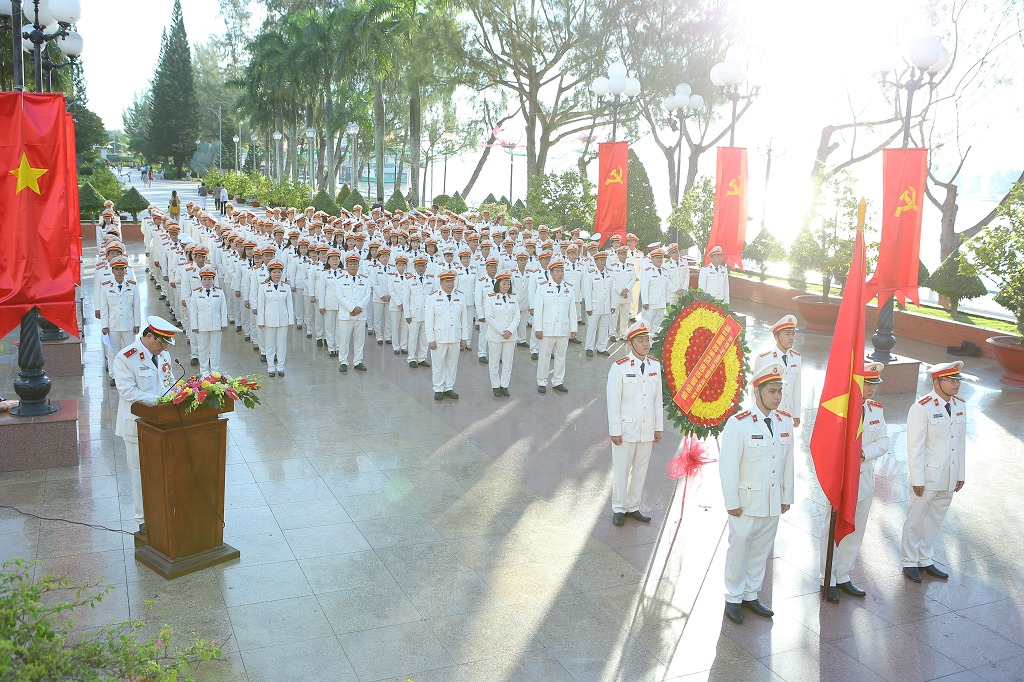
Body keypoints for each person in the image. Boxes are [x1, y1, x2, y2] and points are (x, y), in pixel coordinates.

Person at [719, 361, 794, 625]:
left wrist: (786, 496)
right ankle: (733, 597)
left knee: (762, 549)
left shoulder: (784, 422)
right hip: (746, 502)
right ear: (757, 391)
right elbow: (728, 466)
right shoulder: (738, 423)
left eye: (780, 391)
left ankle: (751, 594)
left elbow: (788, 462)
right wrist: (732, 501)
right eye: (772, 391)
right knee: (739, 549)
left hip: (772, 501)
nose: (777, 396)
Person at [820, 362, 888, 602]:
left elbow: (884, 441)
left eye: (875, 385)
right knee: (833, 529)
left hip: (864, 479)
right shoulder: (840, 409)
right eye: (868, 384)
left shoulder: (875, 409)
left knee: (856, 529)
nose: (872, 389)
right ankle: (827, 577)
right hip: (841, 479)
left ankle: (843, 575)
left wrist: (861, 452)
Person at [112, 316, 181, 537]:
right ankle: (143, 519)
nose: (165, 348)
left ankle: (164, 511)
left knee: (164, 470)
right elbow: (128, 392)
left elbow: (169, 383)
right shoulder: (126, 358)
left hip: (163, 423)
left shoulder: (163, 355)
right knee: (140, 473)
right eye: (162, 343)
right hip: (137, 426)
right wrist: (161, 401)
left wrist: (179, 395)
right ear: (149, 336)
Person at [901, 361, 966, 583]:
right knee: (916, 519)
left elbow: (960, 443)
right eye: (951, 380)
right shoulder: (922, 407)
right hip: (927, 477)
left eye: (958, 380)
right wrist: (917, 478)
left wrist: (960, 474)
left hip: (949, 476)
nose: (956, 384)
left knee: (936, 519)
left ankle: (924, 558)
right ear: (936, 383)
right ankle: (909, 561)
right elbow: (915, 447)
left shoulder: (960, 405)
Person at [606, 319, 663, 526]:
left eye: (647, 340)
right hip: (626, 428)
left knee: (640, 469)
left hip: (647, 427)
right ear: (631, 344)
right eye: (641, 341)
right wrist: (615, 430)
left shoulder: (654, 365)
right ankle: (619, 508)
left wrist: (658, 427)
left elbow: (657, 400)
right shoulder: (619, 367)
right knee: (622, 470)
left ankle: (633, 506)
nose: (646, 344)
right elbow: (613, 401)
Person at [424, 270, 470, 400]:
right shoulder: (432, 297)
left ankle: (449, 387)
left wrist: (464, 337)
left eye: (452, 281)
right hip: (439, 337)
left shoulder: (460, 296)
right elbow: (429, 321)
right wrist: (430, 339)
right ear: (441, 282)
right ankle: (438, 388)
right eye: (447, 281)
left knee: (452, 364)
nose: (450, 284)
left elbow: (464, 319)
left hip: (455, 336)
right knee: (438, 364)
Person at [533, 258, 577, 393]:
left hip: (563, 328)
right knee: (544, 357)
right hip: (547, 329)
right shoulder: (543, 287)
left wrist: (574, 328)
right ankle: (542, 381)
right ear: (550, 273)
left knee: (561, 356)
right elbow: (538, 310)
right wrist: (538, 328)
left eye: (562, 271)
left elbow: (572, 311)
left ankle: (558, 381)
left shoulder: (569, 288)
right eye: (557, 271)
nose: (560, 274)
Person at [99, 256, 142, 387]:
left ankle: (131, 373)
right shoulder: (106, 286)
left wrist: (137, 324)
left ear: (125, 271)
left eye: (121, 269)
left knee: (131, 350)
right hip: (113, 325)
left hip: (128, 324)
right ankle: (114, 375)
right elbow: (104, 308)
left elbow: (136, 306)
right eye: (117, 269)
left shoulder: (132, 286)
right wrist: (104, 325)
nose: (119, 272)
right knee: (113, 351)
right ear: (112, 271)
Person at [753, 315, 803, 427]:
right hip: (769, 415)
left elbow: (797, 388)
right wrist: (756, 416)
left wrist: (796, 414)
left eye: (793, 334)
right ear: (776, 337)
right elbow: (756, 389)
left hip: (788, 414)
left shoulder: (796, 357)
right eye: (787, 334)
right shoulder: (764, 359)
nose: (791, 338)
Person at [483, 270, 520, 397]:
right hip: (496, 335)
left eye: (508, 284)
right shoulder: (490, 297)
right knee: (494, 362)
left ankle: (504, 385)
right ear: (498, 284)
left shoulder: (513, 297)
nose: (506, 286)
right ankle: (495, 385)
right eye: (504, 284)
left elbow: (517, 316)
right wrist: (502, 331)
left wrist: (510, 330)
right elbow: (489, 317)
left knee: (507, 361)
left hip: (510, 335)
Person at [257, 260, 294, 377]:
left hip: (283, 319)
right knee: (270, 345)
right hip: (269, 320)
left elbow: (290, 305)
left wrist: (291, 320)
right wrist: (260, 321)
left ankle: (281, 367)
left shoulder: (286, 286)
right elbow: (261, 305)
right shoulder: (263, 286)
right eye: (274, 272)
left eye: (279, 272)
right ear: (270, 273)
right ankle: (271, 367)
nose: (277, 274)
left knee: (281, 345)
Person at [336, 253, 371, 373]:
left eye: (355, 264)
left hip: (360, 314)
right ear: (346, 266)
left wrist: (358, 308)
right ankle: (343, 361)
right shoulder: (340, 280)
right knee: (344, 340)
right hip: (346, 315)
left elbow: (367, 296)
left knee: (360, 340)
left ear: (358, 266)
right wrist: (352, 308)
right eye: (350, 264)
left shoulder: (365, 279)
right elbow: (340, 297)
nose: (352, 266)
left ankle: (358, 361)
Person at [190, 266, 228, 374]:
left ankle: (215, 371)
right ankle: (204, 372)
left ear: (213, 280)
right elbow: (193, 311)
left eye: (209, 279)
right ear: (201, 280)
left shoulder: (219, 292)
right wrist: (194, 326)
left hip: (216, 324)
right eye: (205, 279)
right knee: (203, 349)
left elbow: (223, 308)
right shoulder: (196, 293)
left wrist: (224, 323)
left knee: (215, 348)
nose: (207, 282)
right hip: (201, 325)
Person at [583, 251, 614, 357]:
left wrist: (613, 305)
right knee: (592, 328)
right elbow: (587, 292)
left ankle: (601, 347)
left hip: (606, 306)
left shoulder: (610, 273)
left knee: (604, 327)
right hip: (594, 306)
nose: (603, 262)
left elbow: (612, 290)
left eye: (604, 259)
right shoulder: (590, 273)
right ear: (595, 261)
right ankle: (589, 347)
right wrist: (588, 307)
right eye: (600, 260)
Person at [639, 248, 670, 337]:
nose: (659, 259)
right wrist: (645, 302)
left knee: (657, 326)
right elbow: (644, 288)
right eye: (657, 257)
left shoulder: (665, 271)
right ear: (652, 259)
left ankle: (653, 342)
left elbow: (666, 288)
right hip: (650, 304)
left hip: (661, 303)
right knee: (647, 325)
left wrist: (667, 301)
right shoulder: (647, 271)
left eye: (661, 257)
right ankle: (645, 343)